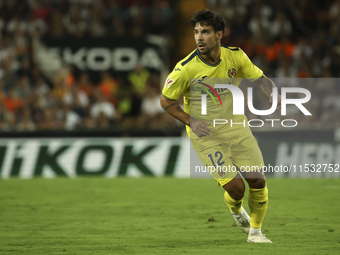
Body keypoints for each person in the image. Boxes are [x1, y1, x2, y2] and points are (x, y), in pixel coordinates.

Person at [160, 10, 281, 243]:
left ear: (219, 35)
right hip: (206, 135)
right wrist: (191, 121)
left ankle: (256, 232)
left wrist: (272, 93)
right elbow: (166, 100)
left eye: (205, 32)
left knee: (257, 180)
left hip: (236, 127)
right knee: (236, 189)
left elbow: (260, 79)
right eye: (196, 32)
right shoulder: (185, 68)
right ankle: (236, 210)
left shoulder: (236, 57)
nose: (198, 37)